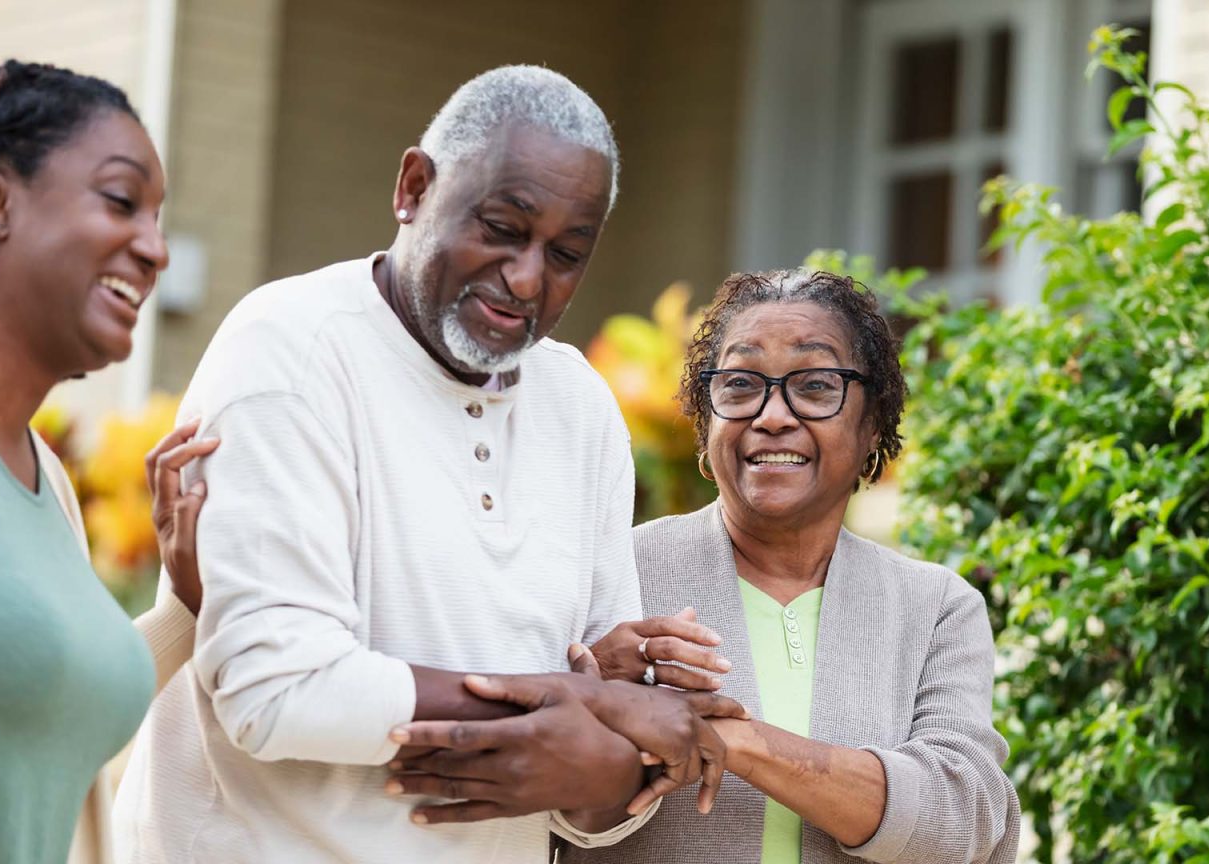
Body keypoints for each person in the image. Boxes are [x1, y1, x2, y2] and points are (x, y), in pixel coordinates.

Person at [113, 65, 743, 864]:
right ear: (413, 187)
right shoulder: (290, 351)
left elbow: (592, 789)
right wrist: (571, 702)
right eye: (504, 228)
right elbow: (274, 692)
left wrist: (607, 758)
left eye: (566, 254)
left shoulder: (581, 406)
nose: (527, 280)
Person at [395, 269, 1022, 863]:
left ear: (871, 428)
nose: (773, 416)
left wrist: (739, 741)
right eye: (741, 384)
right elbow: (547, 814)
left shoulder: (935, 608)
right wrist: (596, 694)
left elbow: (962, 825)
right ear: (704, 425)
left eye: (816, 386)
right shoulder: (617, 570)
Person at [0, 61, 214, 864]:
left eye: (160, 219)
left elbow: (39, 703)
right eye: (121, 201)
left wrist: (186, 611)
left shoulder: (47, 481)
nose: (156, 249)